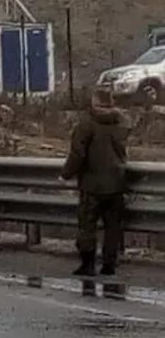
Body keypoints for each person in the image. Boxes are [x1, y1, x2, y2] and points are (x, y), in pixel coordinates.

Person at [61, 88, 130, 276]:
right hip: (116, 183)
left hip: (92, 183)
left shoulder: (86, 124)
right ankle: (109, 264)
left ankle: (88, 264)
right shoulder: (121, 123)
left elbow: (78, 154)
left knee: (87, 225)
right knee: (112, 227)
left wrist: (66, 174)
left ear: (94, 102)